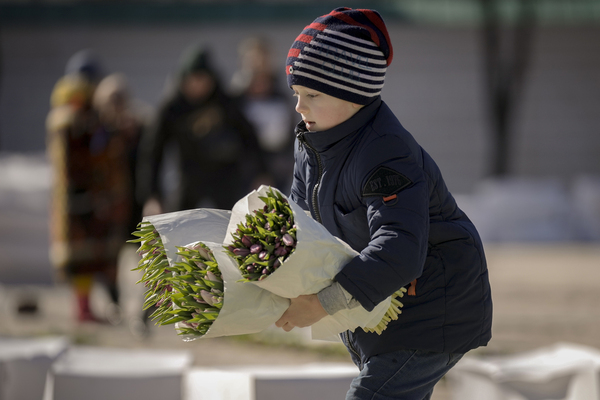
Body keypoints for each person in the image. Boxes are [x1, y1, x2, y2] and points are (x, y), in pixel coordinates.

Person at [274, 8, 493, 399]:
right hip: (378, 310)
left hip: (431, 306)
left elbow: (400, 247)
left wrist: (323, 304)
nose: (299, 107)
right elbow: (299, 225)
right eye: (296, 95)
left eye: (312, 95)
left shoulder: (385, 152)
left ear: (352, 92)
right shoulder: (313, 142)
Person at [46, 56, 133, 324]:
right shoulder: (74, 116)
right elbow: (83, 157)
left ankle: (87, 308)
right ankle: (83, 310)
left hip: (81, 196)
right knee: (81, 257)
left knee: (91, 254)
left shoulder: (73, 114)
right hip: (79, 197)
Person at [137, 44, 269, 215]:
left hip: (225, 179)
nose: (198, 86)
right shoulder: (172, 109)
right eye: (193, 80)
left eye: (202, 80)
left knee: (230, 231)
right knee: (181, 230)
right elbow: (152, 151)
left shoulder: (224, 104)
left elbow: (249, 138)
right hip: (189, 180)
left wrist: (261, 173)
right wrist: (152, 195)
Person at [229, 36, 296, 192]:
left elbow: (288, 137)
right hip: (242, 176)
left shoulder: (282, 96)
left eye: (263, 59)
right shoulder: (235, 99)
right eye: (254, 59)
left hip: (277, 175)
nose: (259, 65)